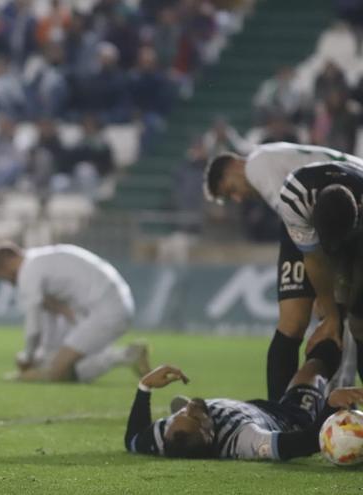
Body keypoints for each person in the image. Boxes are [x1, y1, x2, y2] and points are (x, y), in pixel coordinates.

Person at [203, 143, 363, 400]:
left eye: (231, 189)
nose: (238, 197)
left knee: (295, 323)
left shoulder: (257, 167)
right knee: (343, 319)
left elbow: (307, 240)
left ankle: (283, 411)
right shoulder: (275, 156)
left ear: (234, 165)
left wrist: (329, 303)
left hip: (327, 211)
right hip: (340, 202)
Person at [125, 328, 363, 460]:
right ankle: (339, 317)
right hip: (288, 417)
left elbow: (132, 439)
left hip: (253, 408)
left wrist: (145, 386)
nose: (187, 407)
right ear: (210, 434)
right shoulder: (244, 440)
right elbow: (304, 443)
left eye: (179, 413)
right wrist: (331, 404)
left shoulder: (167, 436)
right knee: (319, 361)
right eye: (193, 416)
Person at [0, 242, 149, 383]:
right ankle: (124, 355)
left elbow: (34, 328)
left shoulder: (28, 272)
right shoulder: (40, 260)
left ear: (5, 266)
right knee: (56, 364)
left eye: (3, 277)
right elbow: (54, 315)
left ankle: (123, 356)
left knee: (57, 372)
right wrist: (42, 355)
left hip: (106, 311)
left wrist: (28, 357)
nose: (9, 283)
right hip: (113, 304)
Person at [279, 161, 363, 386]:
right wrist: (331, 314)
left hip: (358, 242)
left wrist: (344, 307)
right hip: (307, 230)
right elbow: (315, 259)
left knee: (358, 320)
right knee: (301, 321)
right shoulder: (295, 197)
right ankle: (281, 413)